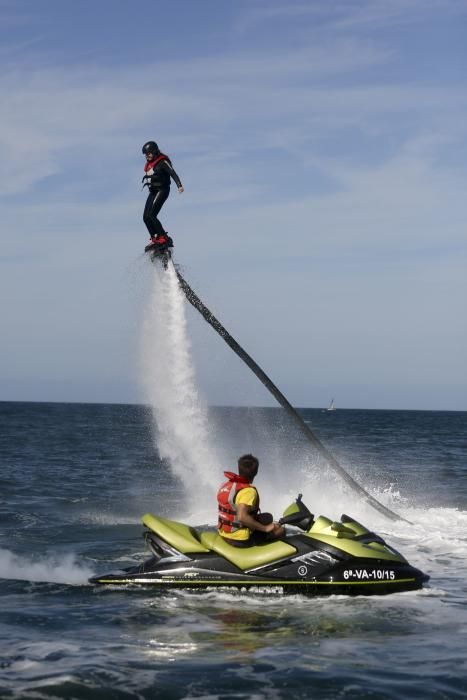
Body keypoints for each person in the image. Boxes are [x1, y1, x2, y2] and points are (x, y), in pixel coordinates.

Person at [217, 454, 285, 547]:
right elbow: (241, 517)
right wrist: (265, 528)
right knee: (280, 530)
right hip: (238, 539)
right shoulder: (248, 491)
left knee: (268, 517)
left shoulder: (228, 484)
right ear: (256, 472)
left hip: (224, 533)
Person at [141, 141, 184, 247]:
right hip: (153, 192)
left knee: (152, 215)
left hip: (162, 190)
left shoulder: (162, 161)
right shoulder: (149, 164)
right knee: (145, 217)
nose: (147, 156)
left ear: (155, 151)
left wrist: (179, 185)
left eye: (149, 153)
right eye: (146, 154)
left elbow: (173, 173)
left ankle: (164, 238)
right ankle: (155, 238)